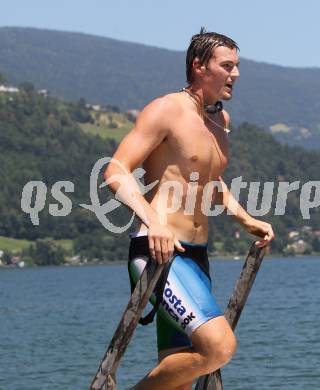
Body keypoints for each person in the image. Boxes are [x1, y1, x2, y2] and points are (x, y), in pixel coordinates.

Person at [104, 28, 274, 390]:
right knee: (219, 348)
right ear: (199, 66)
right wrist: (153, 223)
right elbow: (115, 170)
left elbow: (211, 182)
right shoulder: (166, 110)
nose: (236, 74)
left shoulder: (220, 122)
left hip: (197, 257)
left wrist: (246, 219)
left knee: (179, 381)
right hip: (159, 252)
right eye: (227, 66)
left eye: (237, 66)